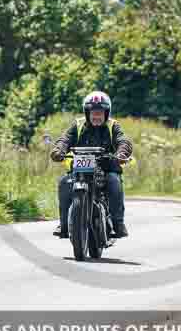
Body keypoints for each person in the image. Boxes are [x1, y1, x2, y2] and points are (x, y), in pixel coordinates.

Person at [50, 91, 133, 238]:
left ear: (106, 113)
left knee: (114, 182)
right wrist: (59, 150)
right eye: (93, 112)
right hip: (80, 170)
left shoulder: (113, 125)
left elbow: (123, 141)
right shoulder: (78, 125)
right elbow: (65, 139)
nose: (96, 116)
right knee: (64, 183)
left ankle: (117, 224)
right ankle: (63, 225)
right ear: (87, 112)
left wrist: (121, 153)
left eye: (100, 113)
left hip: (106, 169)